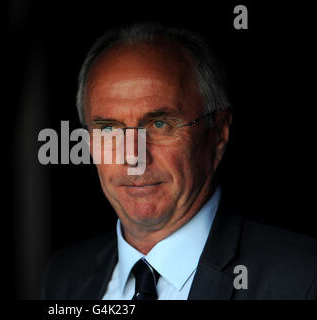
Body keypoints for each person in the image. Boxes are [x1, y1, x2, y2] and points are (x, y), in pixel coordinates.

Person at [40, 22, 317, 299]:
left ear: (218, 133)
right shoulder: (64, 276)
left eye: (160, 124)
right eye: (109, 129)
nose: (133, 157)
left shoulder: (301, 277)